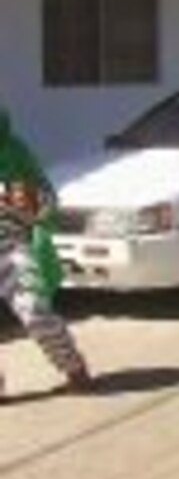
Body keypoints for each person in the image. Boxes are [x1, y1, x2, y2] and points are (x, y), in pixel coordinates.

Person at [0, 107, 90, 398]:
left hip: (11, 244)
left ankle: (74, 368)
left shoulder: (14, 150)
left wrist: (32, 202)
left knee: (35, 310)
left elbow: (48, 200)